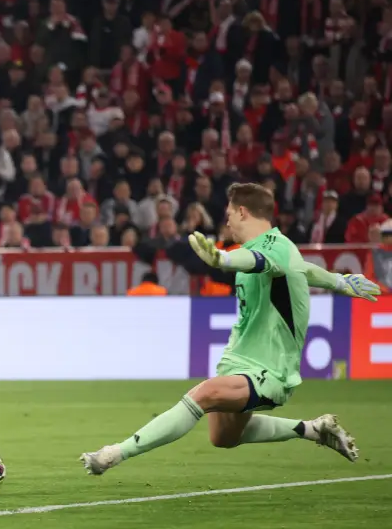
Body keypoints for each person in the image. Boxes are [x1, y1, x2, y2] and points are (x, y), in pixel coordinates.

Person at [80, 183, 381, 476]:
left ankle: (114, 453)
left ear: (242, 212)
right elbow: (300, 267)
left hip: (269, 368)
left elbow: (257, 261)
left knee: (203, 394)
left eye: (228, 213)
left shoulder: (273, 247)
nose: (225, 220)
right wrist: (338, 281)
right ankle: (312, 429)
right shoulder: (281, 251)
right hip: (240, 358)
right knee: (222, 437)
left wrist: (222, 259)